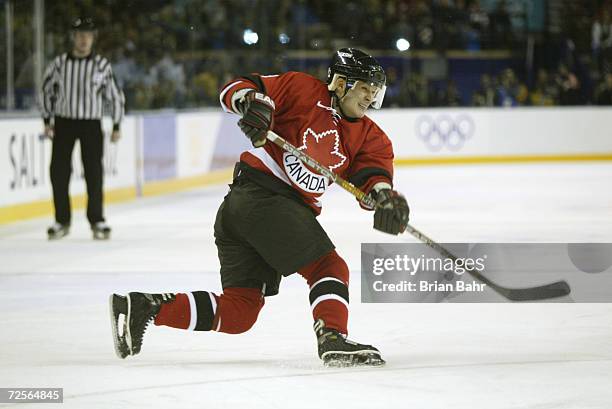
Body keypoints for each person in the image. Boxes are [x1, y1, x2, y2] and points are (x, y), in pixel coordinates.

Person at [110, 48, 410, 367]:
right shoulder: (302, 89)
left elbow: (372, 177)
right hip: (262, 198)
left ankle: (145, 307)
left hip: (248, 210)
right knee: (329, 268)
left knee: (240, 313)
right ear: (340, 82)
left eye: (374, 91)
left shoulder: (371, 137)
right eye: (364, 87)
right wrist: (251, 105)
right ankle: (333, 338)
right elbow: (235, 89)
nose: (370, 96)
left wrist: (385, 199)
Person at [40, 17, 125, 240]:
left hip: (91, 123)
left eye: (87, 35)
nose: (83, 40)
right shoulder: (59, 64)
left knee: (94, 174)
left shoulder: (101, 65)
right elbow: (46, 90)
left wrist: (116, 124)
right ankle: (62, 220)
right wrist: (47, 120)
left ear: (93, 38)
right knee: (58, 173)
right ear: (73, 38)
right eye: (80, 35)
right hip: (63, 122)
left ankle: (97, 220)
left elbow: (115, 96)